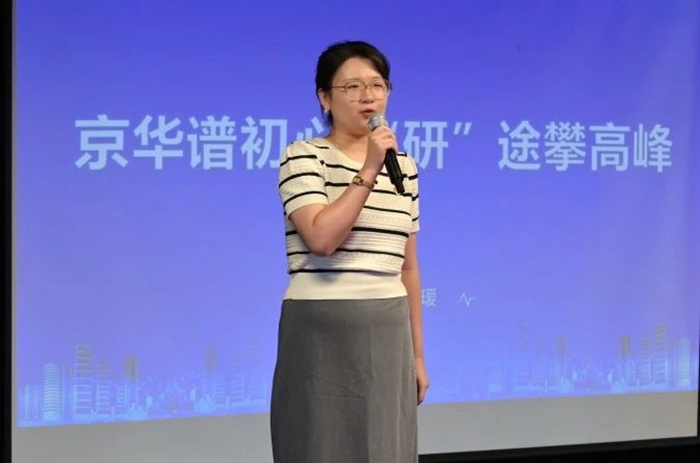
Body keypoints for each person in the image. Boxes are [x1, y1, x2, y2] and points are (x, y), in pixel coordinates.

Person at [270, 40, 429, 463]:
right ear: (325, 98)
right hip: (320, 328)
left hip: (388, 327)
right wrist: (369, 169)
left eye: (377, 85)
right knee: (318, 445)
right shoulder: (304, 157)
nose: (368, 96)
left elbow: (408, 268)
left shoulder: (405, 167)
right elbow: (321, 239)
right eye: (352, 87)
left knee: (386, 447)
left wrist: (417, 355)